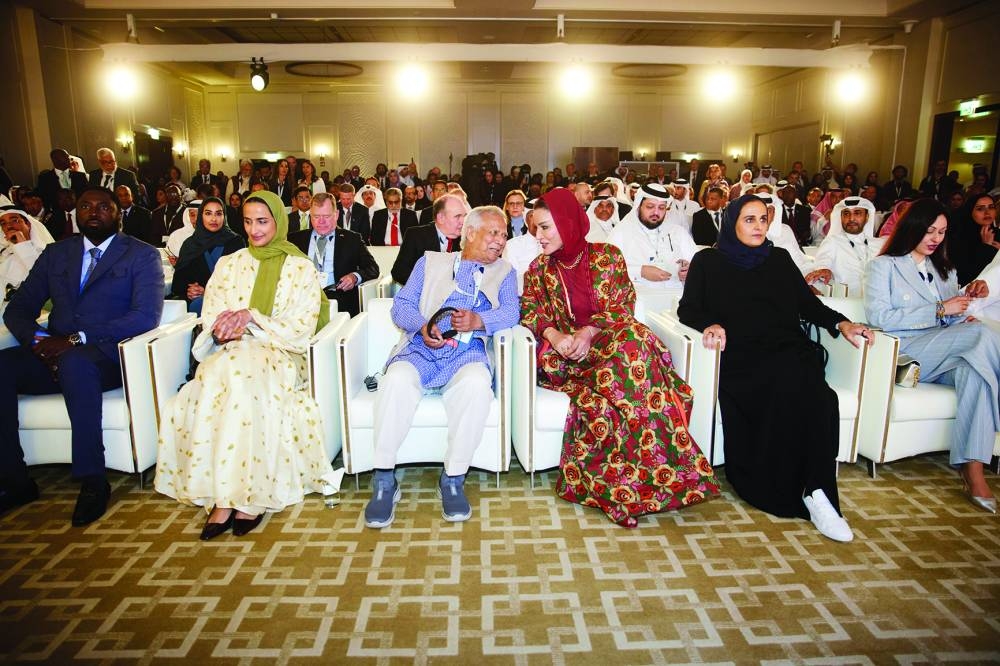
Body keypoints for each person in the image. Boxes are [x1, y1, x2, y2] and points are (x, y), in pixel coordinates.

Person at [677, 194, 873, 542]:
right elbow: (688, 309)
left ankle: (819, 493)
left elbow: (808, 305)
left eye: (763, 219)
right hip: (741, 358)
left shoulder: (779, 258)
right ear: (732, 223)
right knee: (784, 389)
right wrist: (709, 324)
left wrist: (842, 323)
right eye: (749, 219)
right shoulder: (707, 261)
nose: (758, 226)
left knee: (821, 400)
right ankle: (789, 488)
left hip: (788, 350)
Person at [520, 188, 718, 527]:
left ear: (567, 223)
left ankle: (637, 487)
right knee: (633, 361)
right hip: (568, 357)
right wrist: (556, 336)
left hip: (610, 344)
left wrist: (588, 332)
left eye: (545, 227)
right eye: (536, 228)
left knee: (633, 345)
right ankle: (626, 490)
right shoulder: (538, 269)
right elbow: (530, 311)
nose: (538, 235)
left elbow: (623, 305)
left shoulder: (607, 256)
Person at [154, 190, 338, 539]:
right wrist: (223, 330)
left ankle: (248, 498)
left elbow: (300, 327)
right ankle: (224, 497)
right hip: (229, 352)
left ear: (278, 221)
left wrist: (252, 318)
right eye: (249, 222)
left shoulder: (299, 267)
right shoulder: (229, 264)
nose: (255, 230)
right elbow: (212, 314)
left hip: (279, 353)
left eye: (263, 221)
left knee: (243, 380)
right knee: (218, 376)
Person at [0, 187, 164, 524]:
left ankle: (93, 481)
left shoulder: (141, 254)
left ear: (118, 214)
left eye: (103, 206)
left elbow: (145, 317)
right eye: (85, 206)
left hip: (108, 357)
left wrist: (75, 340)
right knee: (3, 366)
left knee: (76, 362)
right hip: (52, 352)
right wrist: (41, 341)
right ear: (75, 213)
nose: (93, 212)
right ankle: (15, 481)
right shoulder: (56, 254)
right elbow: (18, 309)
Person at [364, 205, 518, 528]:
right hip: (421, 347)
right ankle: (384, 479)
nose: (501, 240)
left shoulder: (505, 272)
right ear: (470, 233)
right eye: (493, 233)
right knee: (395, 380)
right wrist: (422, 327)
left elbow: (510, 313)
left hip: (467, 352)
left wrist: (478, 320)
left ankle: (453, 478)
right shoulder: (430, 262)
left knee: (477, 386)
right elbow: (401, 306)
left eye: (504, 235)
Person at [864, 198, 1000, 514]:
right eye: (930, 231)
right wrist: (940, 310)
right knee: (981, 334)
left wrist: (964, 306)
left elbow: (949, 318)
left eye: (942, 232)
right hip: (905, 354)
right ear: (913, 228)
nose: (936, 238)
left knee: (974, 371)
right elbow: (879, 317)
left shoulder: (945, 270)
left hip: (943, 351)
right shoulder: (883, 266)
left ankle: (973, 468)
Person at [288, 192, 379, 317]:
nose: (321, 222)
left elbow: (373, 269)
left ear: (336, 215)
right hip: (302, 301)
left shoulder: (352, 239)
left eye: (326, 216)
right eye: (316, 216)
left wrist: (354, 277)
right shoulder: (295, 240)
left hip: (339, 300)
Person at [608, 183, 697, 290]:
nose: (656, 212)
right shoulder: (621, 233)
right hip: (636, 297)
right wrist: (641, 271)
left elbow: (698, 265)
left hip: (675, 296)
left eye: (662, 208)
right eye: (650, 207)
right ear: (638, 206)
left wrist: (689, 271)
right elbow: (606, 268)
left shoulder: (678, 232)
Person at [170, 197, 245, 315]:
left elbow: (242, 281)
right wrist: (189, 291)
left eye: (218, 214)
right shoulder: (190, 244)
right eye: (208, 213)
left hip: (228, 305)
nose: (213, 219)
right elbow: (178, 284)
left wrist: (208, 292)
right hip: (195, 306)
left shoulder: (235, 242)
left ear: (224, 216)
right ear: (201, 216)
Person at [805, 196, 883, 296]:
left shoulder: (878, 244)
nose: (851, 219)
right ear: (841, 217)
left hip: (877, 300)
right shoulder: (832, 241)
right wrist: (824, 268)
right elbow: (823, 260)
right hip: (846, 301)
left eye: (857, 213)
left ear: (867, 217)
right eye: (846, 214)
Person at [391, 194, 465, 285]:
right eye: (457, 216)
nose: (463, 221)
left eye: (464, 216)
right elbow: (399, 272)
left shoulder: (466, 239)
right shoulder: (416, 236)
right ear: (441, 218)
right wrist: (427, 285)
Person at [0, 208, 55, 312]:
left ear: (28, 224)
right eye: (3, 223)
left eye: (14, 220)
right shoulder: (4, 254)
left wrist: (22, 244)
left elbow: (44, 279)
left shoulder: (46, 252)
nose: (9, 226)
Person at [949, 194, 998, 285]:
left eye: (991, 207)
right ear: (970, 211)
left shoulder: (998, 234)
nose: (987, 212)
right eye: (980, 209)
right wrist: (986, 248)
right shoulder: (959, 237)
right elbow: (964, 275)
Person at [502, 198, 541, 294]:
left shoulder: (556, 245)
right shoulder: (512, 245)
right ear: (526, 220)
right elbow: (510, 280)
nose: (537, 220)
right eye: (532, 216)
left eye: (540, 216)